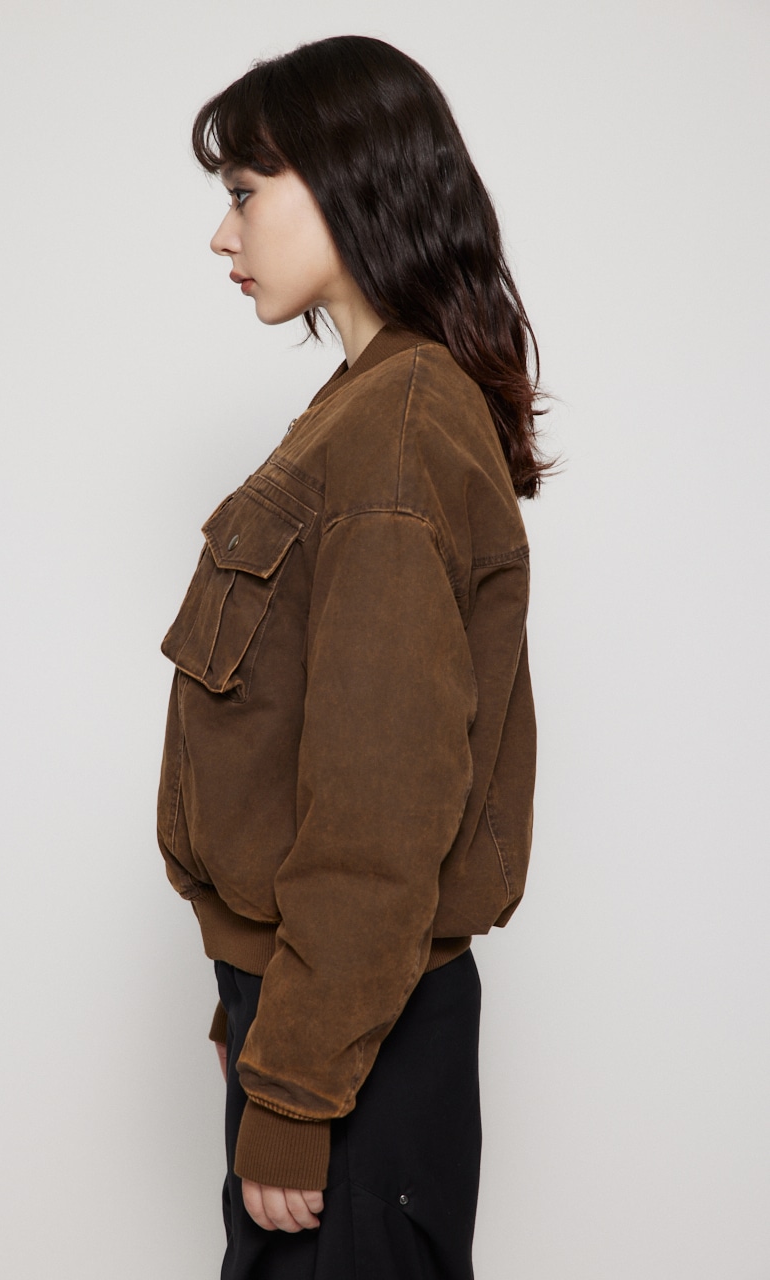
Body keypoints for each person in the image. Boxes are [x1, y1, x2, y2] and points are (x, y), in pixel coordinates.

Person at [157, 34, 547, 1280]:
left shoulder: (397, 424)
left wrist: (297, 1081)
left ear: (344, 178)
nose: (222, 236)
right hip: (324, 1033)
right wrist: (263, 1020)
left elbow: (380, 807)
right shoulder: (362, 406)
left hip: (354, 1061)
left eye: (243, 193)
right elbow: (288, 754)